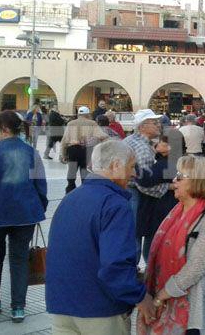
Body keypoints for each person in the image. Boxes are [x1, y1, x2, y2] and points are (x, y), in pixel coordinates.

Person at [46, 140, 155, 334]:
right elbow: (115, 265)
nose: (134, 174)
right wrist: (139, 296)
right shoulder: (115, 204)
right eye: (131, 166)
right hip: (100, 310)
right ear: (116, 166)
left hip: (61, 305)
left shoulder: (71, 198)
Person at [137, 156, 205, 335]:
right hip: (162, 298)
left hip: (189, 306)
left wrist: (161, 296)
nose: (174, 180)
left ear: (198, 182)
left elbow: (197, 267)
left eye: (180, 176)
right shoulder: (177, 210)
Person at [0, 111, 47, 322]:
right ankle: (18, 307)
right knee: (19, 260)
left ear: (5, 129)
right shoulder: (31, 152)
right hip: (25, 214)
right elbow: (41, 185)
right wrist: (40, 207)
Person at [124, 109, 168, 263]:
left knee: (135, 233)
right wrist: (169, 188)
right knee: (135, 233)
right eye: (154, 122)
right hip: (135, 194)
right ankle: (134, 270)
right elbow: (143, 182)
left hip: (131, 192)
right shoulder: (142, 147)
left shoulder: (135, 141)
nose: (158, 125)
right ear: (142, 126)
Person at [134, 135, 180, 263]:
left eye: (161, 143)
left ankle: (151, 272)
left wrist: (134, 166)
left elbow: (145, 180)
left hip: (161, 206)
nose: (157, 145)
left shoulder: (166, 163)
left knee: (153, 240)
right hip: (167, 204)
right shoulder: (173, 160)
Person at [60, 106, 108, 194]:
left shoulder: (71, 123)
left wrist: (63, 154)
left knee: (72, 170)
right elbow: (102, 135)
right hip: (86, 150)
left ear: (78, 114)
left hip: (72, 150)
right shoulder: (92, 123)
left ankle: (70, 191)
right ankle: (84, 192)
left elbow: (64, 140)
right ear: (88, 114)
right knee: (84, 172)